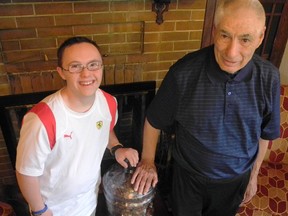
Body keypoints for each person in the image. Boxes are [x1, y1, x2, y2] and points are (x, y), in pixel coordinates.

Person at [131, 0, 280, 215]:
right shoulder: (183, 73)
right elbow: (154, 120)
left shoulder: (269, 78)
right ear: (213, 31)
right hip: (187, 178)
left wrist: (254, 175)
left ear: (260, 37)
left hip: (235, 180)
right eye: (224, 35)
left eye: (245, 39)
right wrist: (147, 160)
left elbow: (266, 133)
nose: (231, 52)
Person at [15, 36, 139, 216]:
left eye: (93, 65)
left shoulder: (108, 102)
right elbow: (26, 172)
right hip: (53, 209)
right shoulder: (41, 119)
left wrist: (116, 148)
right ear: (61, 72)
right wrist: (40, 210)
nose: (86, 74)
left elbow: (105, 128)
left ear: (101, 67)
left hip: (88, 201)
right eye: (75, 66)